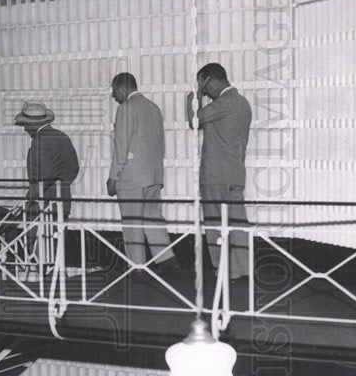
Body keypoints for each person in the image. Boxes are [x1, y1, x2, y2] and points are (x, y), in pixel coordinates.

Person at [186, 63, 252, 280]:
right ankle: (242, 268)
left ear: (210, 80)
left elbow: (194, 121)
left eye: (205, 87)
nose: (206, 93)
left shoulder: (223, 103)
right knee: (237, 223)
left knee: (216, 223)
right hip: (235, 173)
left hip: (215, 176)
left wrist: (193, 93)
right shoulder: (242, 103)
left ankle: (225, 269)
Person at [107, 71, 176, 271]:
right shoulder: (154, 108)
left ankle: (136, 266)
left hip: (132, 177)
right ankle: (165, 258)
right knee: (153, 216)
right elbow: (159, 144)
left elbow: (121, 147)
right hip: (153, 175)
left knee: (132, 222)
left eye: (114, 90)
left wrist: (113, 177)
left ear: (123, 88)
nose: (114, 95)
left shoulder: (125, 109)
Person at [13, 100, 80, 220]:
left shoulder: (39, 141)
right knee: (58, 236)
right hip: (63, 201)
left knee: (36, 237)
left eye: (26, 124)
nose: (25, 129)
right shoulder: (62, 136)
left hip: (42, 204)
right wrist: (61, 185)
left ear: (34, 123)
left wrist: (30, 198)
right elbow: (74, 168)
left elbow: (43, 176)